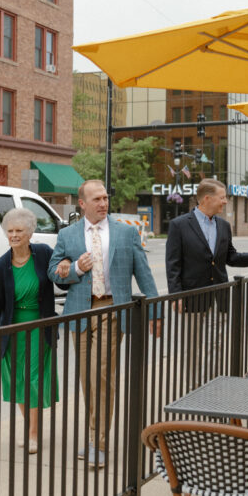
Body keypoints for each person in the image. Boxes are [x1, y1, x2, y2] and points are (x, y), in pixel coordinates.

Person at [48, 179, 161, 468]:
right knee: (89, 379)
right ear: (82, 204)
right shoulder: (68, 234)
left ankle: (97, 442)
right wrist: (74, 269)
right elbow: (54, 271)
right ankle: (94, 435)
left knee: (102, 375)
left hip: (113, 307)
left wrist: (155, 312)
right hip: (81, 312)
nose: (103, 203)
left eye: (105, 198)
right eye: (96, 199)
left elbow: (144, 273)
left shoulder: (125, 232)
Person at [166, 179, 248, 374]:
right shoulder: (179, 225)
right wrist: (176, 295)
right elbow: (173, 265)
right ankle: (193, 390)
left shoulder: (223, 226)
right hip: (193, 297)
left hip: (219, 296)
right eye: (222, 198)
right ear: (207, 198)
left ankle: (211, 387)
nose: (225, 202)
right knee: (192, 348)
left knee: (215, 345)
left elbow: (230, 256)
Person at [0, 207, 57, 455]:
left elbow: (61, 264)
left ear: (30, 233)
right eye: (10, 231)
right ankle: (31, 426)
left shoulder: (44, 254)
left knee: (33, 379)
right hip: (12, 330)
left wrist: (68, 263)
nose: (14, 235)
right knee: (17, 381)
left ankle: (33, 433)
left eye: (19, 231)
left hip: (38, 326)